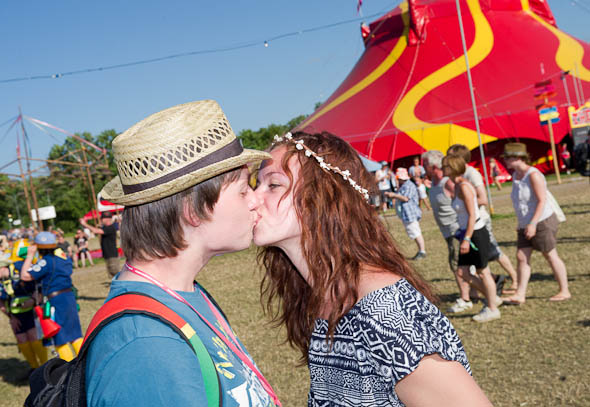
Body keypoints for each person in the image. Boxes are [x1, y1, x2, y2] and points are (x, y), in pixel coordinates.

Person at [255, 131, 491, 406]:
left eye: (273, 185)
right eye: (256, 184)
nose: (253, 198)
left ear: (324, 198)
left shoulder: (386, 315)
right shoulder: (326, 298)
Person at [85, 100, 280, 406]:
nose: (255, 200)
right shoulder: (147, 348)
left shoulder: (186, 293)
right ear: (194, 209)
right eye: (243, 190)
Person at [502, 143, 571, 304]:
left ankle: (564, 290)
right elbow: (521, 203)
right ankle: (520, 294)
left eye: (508, 157)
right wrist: (522, 223)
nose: (505, 161)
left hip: (542, 220)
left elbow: (542, 201)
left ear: (518, 157)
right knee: (521, 257)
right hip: (525, 223)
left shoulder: (533, 175)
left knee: (550, 254)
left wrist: (532, 224)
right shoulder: (515, 176)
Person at [447, 144, 518, 294]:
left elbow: (483, 199)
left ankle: (514, 279)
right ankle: (480, 291)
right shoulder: (459, 179)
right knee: (477, 262)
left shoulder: (471, 174)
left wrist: (467, 203)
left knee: (494, 253)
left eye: (451, 156)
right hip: (468, 224)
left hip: (480, 221)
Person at [442, 154, 502, 322]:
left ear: (453, 167)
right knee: (463, 272)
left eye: (445, 166)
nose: (442, 169)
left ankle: (492, 308)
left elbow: (472, 215)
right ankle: (492, 298)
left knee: (483, 272)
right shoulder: (456, 186)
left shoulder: (464, 187)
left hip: (475, 233)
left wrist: (467, 238)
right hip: (467, 233)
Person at [422, 150, 474, 313]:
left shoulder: (447, 183)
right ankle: (483, 287)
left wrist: (464, 230)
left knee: (458, 265)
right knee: (463, 266)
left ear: (434, 166)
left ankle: (465, 298)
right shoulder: (434, 184)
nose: (423, 168)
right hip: (447, 232)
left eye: (425, 165)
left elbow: (466, 203)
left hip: (456, 231)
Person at [20, 231, 84, 361]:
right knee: (75, 334)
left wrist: (29, 256)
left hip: (56, 301)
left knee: (59, 336)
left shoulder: (46, 262)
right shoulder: (63, 259)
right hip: (69, 297)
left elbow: (25, 276)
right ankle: (85, 363)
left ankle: (71, 369)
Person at [0, 259, 48, 372]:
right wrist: (11, 317)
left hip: (32, 310)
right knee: (21, 339)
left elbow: (40, 285)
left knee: (34, 336)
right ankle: (34, 368)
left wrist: (33, 300)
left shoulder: (20, 267)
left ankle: (45, 368)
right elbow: (1, 302)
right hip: (14, 314)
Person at [390, 167, 426, 260]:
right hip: (407, 213)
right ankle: (421, 251)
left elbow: (406, 198)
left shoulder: (409, 185)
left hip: (411, 213)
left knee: (415, 232)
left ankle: (422, 251)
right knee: (414, 232)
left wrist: (393, 195)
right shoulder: (404, 185)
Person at [80, 211, 120, 277]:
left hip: (112, 254)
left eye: (102, 219)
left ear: (106, 219)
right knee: (111, 274)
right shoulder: (105, 227)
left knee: (115, 272)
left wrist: (85, 224)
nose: (101, 220)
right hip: (108, 254)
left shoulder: (111, 228)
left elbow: (96, 231)